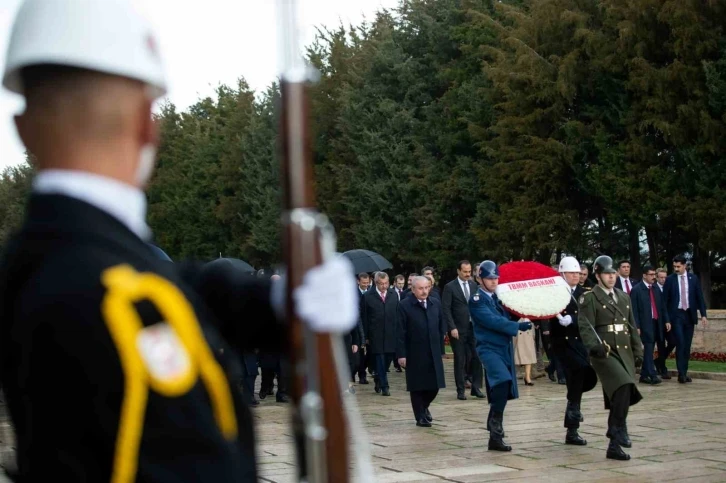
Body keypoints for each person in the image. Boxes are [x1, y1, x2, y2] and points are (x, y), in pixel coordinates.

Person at [0, 1, 358, 480]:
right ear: (149, 121)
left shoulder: (35, 262)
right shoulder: (114, 301)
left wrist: (274, 299)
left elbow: (167, 282)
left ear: (22, 127)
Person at [578, 255, 644, 460]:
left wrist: (638, 350)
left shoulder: (623, 297)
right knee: (624, 384)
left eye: (613, 273)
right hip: (604, 351)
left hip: (623, 350)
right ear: (598, 276)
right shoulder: (589, 298)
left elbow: (630, 326)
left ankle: (614, 444)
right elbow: (585, 325)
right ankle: (618, 429)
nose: (611, 277)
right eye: (607, 273)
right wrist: (593, 346)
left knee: (621, 394)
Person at [469, 261, 532, 452]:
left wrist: (520, 314)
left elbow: (506, 315)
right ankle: (495, 428)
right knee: (502, 381)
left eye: (496, 277)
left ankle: (494, 426)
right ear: (480, 279)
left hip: (503, 347)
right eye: (489, 278)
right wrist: (517, 326)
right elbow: (492, 321)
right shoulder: (477, 299)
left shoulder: (499, 298)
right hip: (488, 348)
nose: (494, 281)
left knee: (504, 387)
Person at [546, 257, 597, 446]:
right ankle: (573, 412)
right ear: (562, 274)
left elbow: (590, 317)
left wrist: (573, 321)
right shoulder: (555, 293)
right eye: (572, 273)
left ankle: (572, 428)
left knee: (577, 380)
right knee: (579, 371)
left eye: (577, 273)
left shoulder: (585, 294)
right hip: (562, 343)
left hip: (579, 342)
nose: (576, 276)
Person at [397, 276, 446, 427]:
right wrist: (401, 354)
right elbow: (399, 331)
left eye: (426, 288)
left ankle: (424, 407)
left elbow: (440, 326)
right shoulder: (404, 305)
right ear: (413, 289)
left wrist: (441, 349)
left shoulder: (435, 303)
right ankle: (419, 416)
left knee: (435, 385)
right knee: (417, 386)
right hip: (414, 351)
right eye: (420, 288)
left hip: (433, 350)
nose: (424, 291)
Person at [662, 255, 708, 383]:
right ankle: (681, 374)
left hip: (689, 315)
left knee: (686, 346)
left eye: (678, 266)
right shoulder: (670, 279)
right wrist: (666, 319)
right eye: (674, 266)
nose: (676, 269)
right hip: (676, 315)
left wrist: (703, 315)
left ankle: (684, 372)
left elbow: (699, 297)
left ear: (684, 266)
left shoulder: (693, 279)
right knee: (680, 343)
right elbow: (664, 302)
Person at [442, 260, 484, 400]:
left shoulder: (474, 286)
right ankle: (460, 390)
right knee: (460, 359)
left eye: (469, 271)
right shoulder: (450, 287)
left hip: (473, 328)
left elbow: (478, 305)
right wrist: (452, 327)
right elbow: (446, 309)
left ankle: (476, 387)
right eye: (465, 271)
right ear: (458, 271)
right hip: (458, 330)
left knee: (477, 357)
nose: (467, 274)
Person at [360, 272, 399, 396]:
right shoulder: (367, 296)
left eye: (386, 283)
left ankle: (377, 376)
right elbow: (364, 317)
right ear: (376, 283)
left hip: (390, 333)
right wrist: (365, 336)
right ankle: (384, 386)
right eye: (381, 284)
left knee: (388, 359)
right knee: (380, 358)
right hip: (375, 335)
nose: (384, 286)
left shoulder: (394, 295)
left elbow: (397, 315)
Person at [630, 265, 669, 385]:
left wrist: (667, 320)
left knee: (651, 348)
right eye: (651, 275)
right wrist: (637, 326)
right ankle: (651, 374)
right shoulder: (637, 290)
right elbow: (634, 310)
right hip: (645, 323)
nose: (653, 277)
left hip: (657, 322)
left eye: (654, 275)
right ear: (644, 275)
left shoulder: (656, 289)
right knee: (648, 348)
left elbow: (662, 306)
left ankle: (644, 374)